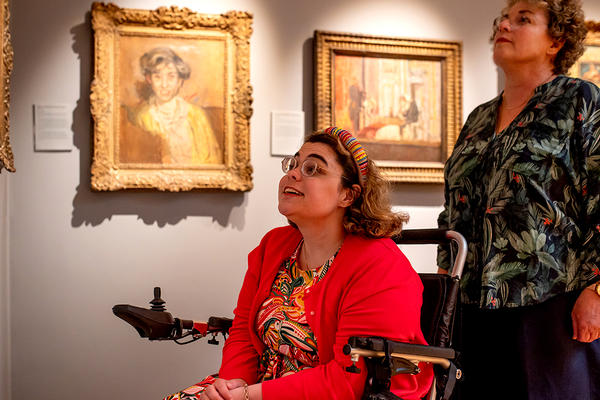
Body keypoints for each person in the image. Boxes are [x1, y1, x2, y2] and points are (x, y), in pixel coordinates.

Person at [164, 127, 433, 400]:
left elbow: (349, 382)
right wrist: (233, 385)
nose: (292, 173)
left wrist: (247, 395)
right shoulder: (273, 246)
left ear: (348, 195)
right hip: (258, 388)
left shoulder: (381, 267)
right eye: (293, 164)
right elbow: (244, 332)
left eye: (313, 168)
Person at [437, 1, 600, 399]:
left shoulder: (579, 100)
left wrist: (597, 291)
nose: (504, 25)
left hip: (552, 306)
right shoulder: (478, 118)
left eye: (523, 18)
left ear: (556, 40)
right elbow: (453, 212)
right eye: (503, 19)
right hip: (469, 309)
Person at [132, 47, 221, 165]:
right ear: (149, 79)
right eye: (157, 77)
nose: (164, 85)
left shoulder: (196, 115)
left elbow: (213, 159)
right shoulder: (142, 117)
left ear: (179, 80)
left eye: (171, 77)